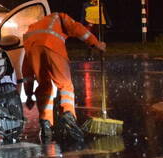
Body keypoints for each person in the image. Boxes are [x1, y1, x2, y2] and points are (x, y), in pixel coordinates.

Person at [22, 12, 106, 144]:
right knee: (65, 84)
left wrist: (28, 93)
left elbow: (26, 70)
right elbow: (78, 29)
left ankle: (45, 122)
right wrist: (95, 44)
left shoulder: (32, 28)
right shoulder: (59, 16)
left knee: (45, 86)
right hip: (53, 47)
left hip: (33, 51)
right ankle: (68, 114)